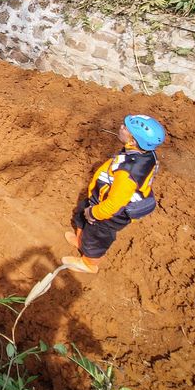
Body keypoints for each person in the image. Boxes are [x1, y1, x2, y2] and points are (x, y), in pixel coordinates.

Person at [63, 115, 166, 274]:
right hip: (100, 198)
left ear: (133, 141)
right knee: (81, 215)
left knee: (96, 236)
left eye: (126, 128)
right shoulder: (142, 152)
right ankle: (80, 242)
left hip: (110, 213)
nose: (121, 127)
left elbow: (114, 204)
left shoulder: (128, 173)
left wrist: (95, 213)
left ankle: (89, 263)